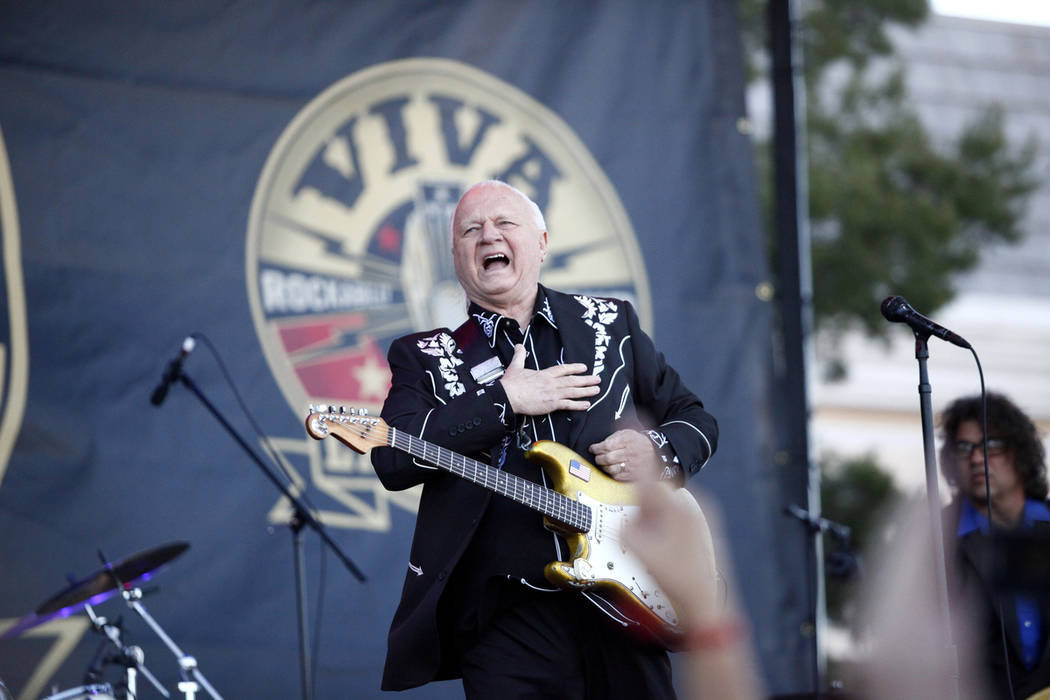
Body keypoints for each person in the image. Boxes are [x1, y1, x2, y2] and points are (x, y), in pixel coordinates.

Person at [370, 180, 718, 697]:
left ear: (541, 242)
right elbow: (393, 459)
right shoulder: (423, 353)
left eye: (504, 223)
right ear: (457, 257)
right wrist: (503, 402)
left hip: (626, 595)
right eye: (471, 230)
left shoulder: (610, 323)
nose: (489, 235)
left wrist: (656, 450)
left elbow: (694, 418)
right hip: (507, 615)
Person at [938, 391, 1050, 699]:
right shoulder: (938, 540)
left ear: (1021, 452)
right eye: (964, 448)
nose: (976, 458)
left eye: (991, 445)